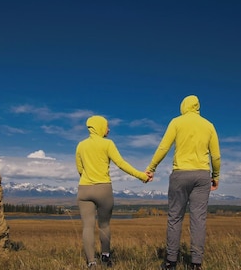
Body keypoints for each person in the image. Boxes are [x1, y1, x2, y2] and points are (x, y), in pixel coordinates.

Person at [146, 95, 221, 270]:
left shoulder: (176, 122)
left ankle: (171, 262)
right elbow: (216, 156)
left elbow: (164, 147)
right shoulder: (209, 126)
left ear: (183, 106)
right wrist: (215, 176)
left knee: (174, 218)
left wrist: (151, 167)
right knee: (199, 219)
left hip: (180, 174)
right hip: (202, 176)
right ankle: (196, 264)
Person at [75, 115, 151, 268]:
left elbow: (80, 169)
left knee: (87, 227)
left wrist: (89, 179)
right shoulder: (108, 144)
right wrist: (142, 176)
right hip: (103, 189)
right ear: (99, 126)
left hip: (84, 189)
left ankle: (91, 262)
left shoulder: (80, 146)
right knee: (104, 225)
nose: (108, 129)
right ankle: (105, 257)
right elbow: (121, 164)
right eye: (106, 126)